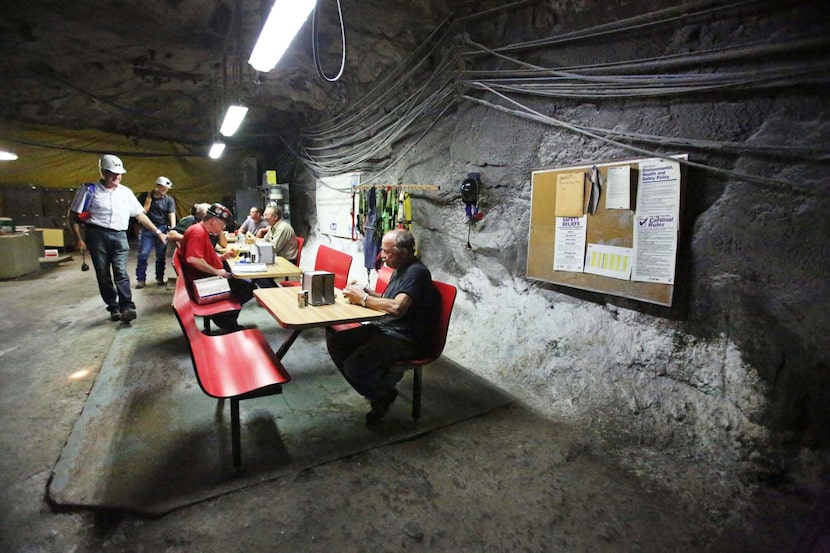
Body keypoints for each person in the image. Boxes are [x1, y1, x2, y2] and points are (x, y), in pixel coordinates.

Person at [326, 228, 440, 425]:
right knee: (337, 342)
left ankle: (384, 391)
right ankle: (380, 391)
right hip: (387, 329)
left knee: (354, 366)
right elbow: (388, 299)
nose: (382, 256)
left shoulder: (417, 273)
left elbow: (396, 307)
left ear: (403, 253)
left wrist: (363, 299)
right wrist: (364, 291)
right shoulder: (400, 269)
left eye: (386, 252)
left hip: (406, 338)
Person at [69, 154, 168, 322]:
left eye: (119, 174)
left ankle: (127, 306)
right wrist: (78, 238)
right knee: (103, 273)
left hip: (120, 236)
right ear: (102, 172)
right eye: (112, 173)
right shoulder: (89, 191)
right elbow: (73, 216)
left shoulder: (126, 193)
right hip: (97, 235)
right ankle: (113, 307)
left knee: (120, 272)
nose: (116, 177)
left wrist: (157, 232)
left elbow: (139, 215)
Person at [180, 203, 254, 330]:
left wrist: (221, 257)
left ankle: (226, 319)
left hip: (208, 276)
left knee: (245, 284)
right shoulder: (197, 232)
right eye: (222, 225)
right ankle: (225, 320)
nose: (222, 228)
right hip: (204, 282)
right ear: (213, 221)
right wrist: (217, 271)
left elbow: (203, 257)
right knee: (249, 287)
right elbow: (193, 259)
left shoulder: (201, 231)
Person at [134, 176, 176, 287]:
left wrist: (173, 228)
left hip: (162, 228)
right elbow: (139, 212)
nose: (165, 191)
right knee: (143, 254)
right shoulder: (145, 197)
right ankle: (141, 279)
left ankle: (159, 278)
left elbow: (171, 214)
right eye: (163, 188)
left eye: (166, 189)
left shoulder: (168, 200)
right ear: (157, 186)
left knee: (161, 255)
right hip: (147, 229)